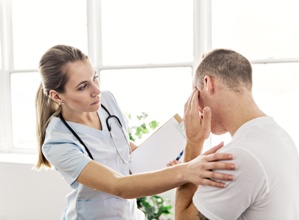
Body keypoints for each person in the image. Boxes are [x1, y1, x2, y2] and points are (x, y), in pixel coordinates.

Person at [34, 45, 236, 220]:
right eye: (83, 87)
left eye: (95, 78)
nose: (96, 90)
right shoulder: (57, 142)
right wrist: (188, 170)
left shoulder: (107, 102)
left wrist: (163, 161)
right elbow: (118, 186)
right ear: (57, 96)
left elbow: (118, 145)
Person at [175, 48, 299, 220]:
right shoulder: (279, 136)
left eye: (196, 94)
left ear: (208, 83)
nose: (197, 108)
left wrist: (193, 143)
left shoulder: (238, 156)